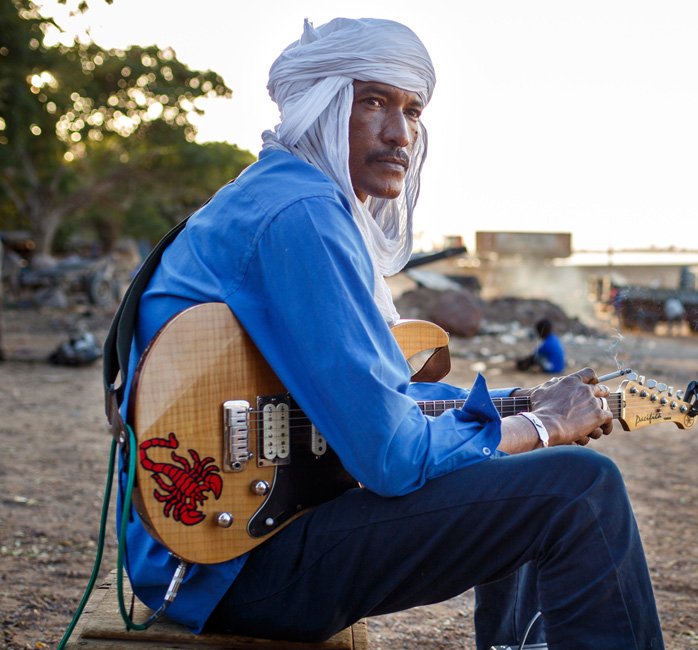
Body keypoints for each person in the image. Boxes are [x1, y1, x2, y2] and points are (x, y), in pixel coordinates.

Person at [113, 18, 662, 649]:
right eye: (372, 102)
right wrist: (543, 425)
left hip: (215, 554)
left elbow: (371, 410)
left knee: (527, 466)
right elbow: (393, 459)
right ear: (321, 108)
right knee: (582, 490)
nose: (400, 133)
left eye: (413, 110)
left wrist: (514, 412)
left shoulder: (277, 196)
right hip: (234, 566)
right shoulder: (305, 216)